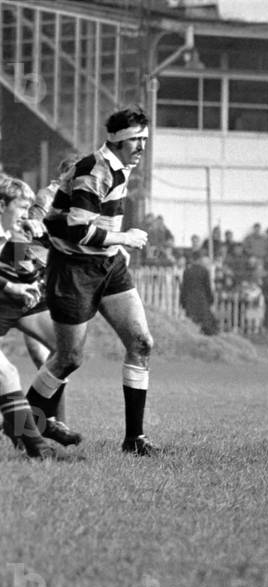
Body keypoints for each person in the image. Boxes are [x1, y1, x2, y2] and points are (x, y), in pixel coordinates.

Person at [27, 106, 160, 456]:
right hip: (73, 269)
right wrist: (123, 238)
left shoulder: (121, 166)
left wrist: (116, 246)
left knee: (142, 343)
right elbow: (76, 228)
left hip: (107, 265)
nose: (142, 146)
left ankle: (135, 440)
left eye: (145, 138)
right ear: (116, 141)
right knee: (68, 358)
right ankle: (27, 425)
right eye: (135, 140)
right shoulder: (94, 170)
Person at [0, 176, 82, 459]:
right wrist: (11, 286)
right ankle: (37, 441)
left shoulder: (11, 229)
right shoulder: (50, 198)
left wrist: (30, 279)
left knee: (67, 352)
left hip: (15, 302)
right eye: (22, 207)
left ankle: (35, 431)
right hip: (7, 299)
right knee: (6, 375)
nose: (27, 213)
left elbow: (19, 263)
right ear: (2, 205)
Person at [180, 251, 218, 335]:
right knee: (204, 320)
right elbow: (207, 287)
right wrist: (210, 300)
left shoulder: (187, 271)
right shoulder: (204, 271)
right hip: (201, 299)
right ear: (200, 259)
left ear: (192, 259)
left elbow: (184, 288)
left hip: (190, 299)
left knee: (192, 321)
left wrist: (182, 301)